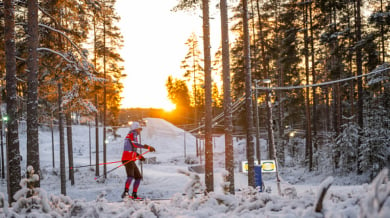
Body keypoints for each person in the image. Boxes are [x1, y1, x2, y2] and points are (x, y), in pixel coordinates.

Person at [121, 121, 155, 199]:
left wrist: (139, 156)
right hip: (127, 159)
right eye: (139, 129)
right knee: (130, 176)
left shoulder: (131, 134)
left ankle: (134, 194)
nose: (140, 131)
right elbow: (135, 144)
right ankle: (125, 193)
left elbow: (131, 148)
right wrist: (147, 147)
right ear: (135, 129)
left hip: (130, 158)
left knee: (138, 177)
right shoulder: (132, 134)